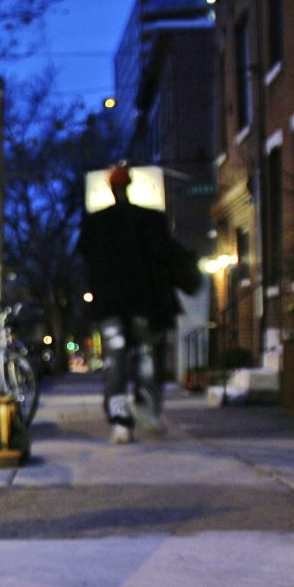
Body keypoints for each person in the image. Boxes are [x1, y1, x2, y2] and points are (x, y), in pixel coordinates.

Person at [77, 163, 201, 443]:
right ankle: (146, 408)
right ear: (129, 186)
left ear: (111, 189)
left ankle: (120, 420)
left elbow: (86, 261)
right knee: (148, 357)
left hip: (110, 306)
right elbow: (165, 256)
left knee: (115, 361)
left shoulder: (95, 224)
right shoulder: (152, 219)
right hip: (146, 304)